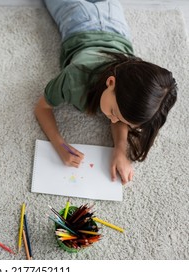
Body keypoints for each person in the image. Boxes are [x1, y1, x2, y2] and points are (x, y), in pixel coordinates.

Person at [34, 0, 177, 184]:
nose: (114, 121)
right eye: (113, 113)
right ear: (111, 82)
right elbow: (41, 107)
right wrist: (59, 144)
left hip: (113, 22)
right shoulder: (74, 78)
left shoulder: (134, 86)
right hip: (79, 18)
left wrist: (120, 149)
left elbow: (122, 116)